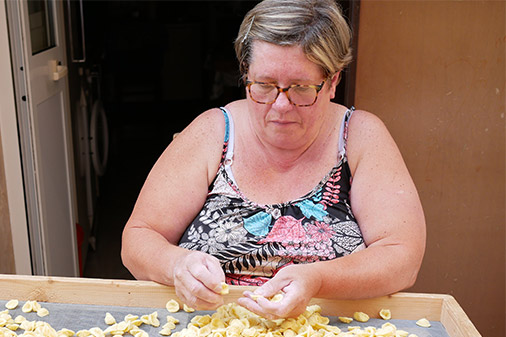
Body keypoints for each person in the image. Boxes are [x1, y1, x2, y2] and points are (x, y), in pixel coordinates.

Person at [121, 0, 426, 320]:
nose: (281, 105)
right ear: (245, 75)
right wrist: (176, 266)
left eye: (301, 88)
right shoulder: (213, 132)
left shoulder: (360, 137)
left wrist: (318, 279)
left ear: (333, 82)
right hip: (213, 335)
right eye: (264, 85)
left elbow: (401, 257)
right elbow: (139, 237)